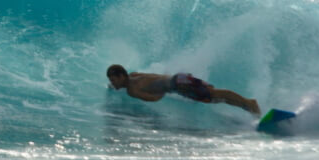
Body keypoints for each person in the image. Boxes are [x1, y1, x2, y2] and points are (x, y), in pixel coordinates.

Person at [106, 64, 261, 116]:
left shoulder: (132, 90)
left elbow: (154, 98)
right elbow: (155, 77)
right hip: (179, 78)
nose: (113, 83)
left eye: (114, 80)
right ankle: (247, 105)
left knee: (213, 96)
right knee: (214, 95)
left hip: (179, 85)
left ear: (121, 76)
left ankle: (249, 104)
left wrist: (164, 90)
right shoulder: (134, 75)